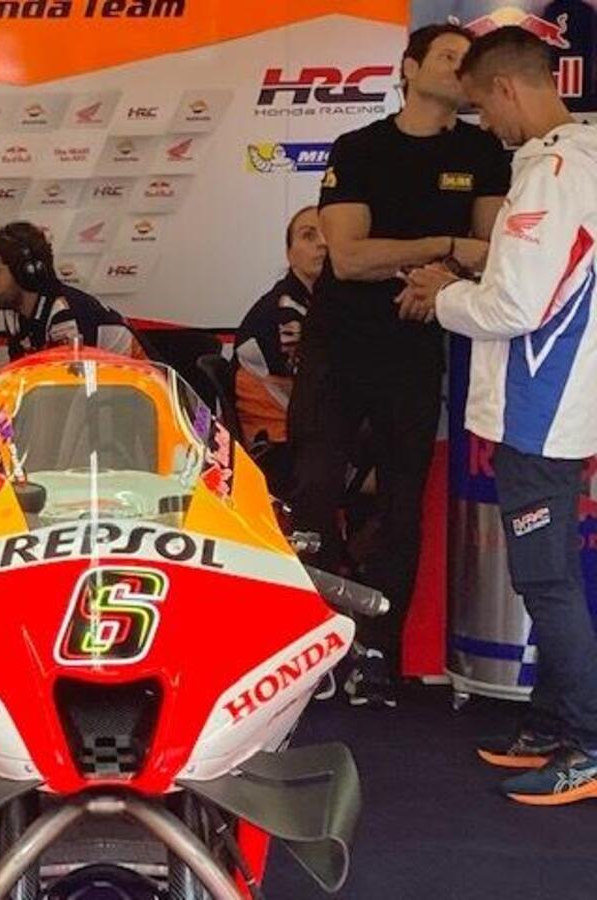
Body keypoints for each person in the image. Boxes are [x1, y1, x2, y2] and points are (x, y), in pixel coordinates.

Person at [287, 22, 511, 709]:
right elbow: (349, 258)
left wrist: (442, 269)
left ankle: (378, 654)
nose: (459, 68)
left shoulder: (481, 150)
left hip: (414, 346)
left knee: (401, 506)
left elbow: (492, 252)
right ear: (409, 68)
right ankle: (314, 648)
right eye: (446, 56)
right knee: (314, 493)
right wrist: (444, 246)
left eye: (467, 61)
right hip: (337, 344)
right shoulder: (360, 148)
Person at [402, 26, 597, 805]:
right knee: (551, 576)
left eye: (484, 107)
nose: (486, 124)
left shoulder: (552, 171)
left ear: (508, 89)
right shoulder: (576, 160)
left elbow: (517, 305)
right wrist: (474, 272)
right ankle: (552, 722)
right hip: (555, 404)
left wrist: (441, 296)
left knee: (546, 580)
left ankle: (588, 743)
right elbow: (540, 273)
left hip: (539, 410)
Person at [0, 221, 148, 438]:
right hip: (105, 403)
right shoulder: (15, 313)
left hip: (140, 401)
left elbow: (60, 399)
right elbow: (22, 384)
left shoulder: (64, 315)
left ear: (27, 275)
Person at [233, 205, 326, 491]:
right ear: (290, 254)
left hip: (303, 436)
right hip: (277, 447)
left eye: (330, 235)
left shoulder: (318, 303)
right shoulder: (285, 312)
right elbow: (314, 387)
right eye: (308, 236)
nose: (322, 243)